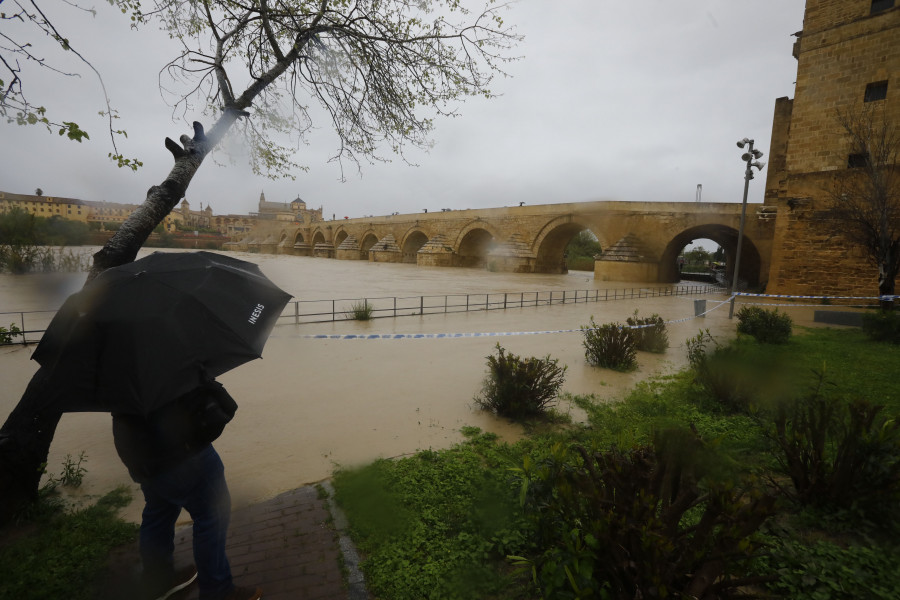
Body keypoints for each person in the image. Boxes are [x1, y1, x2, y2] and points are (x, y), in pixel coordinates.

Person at [112, 380, 261, 600]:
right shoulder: (162, 353)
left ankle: (158, 581)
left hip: (140, 454)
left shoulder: (114, 366)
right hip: (181, 452)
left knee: (158, 513)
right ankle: (218, 591)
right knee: (212, 516)